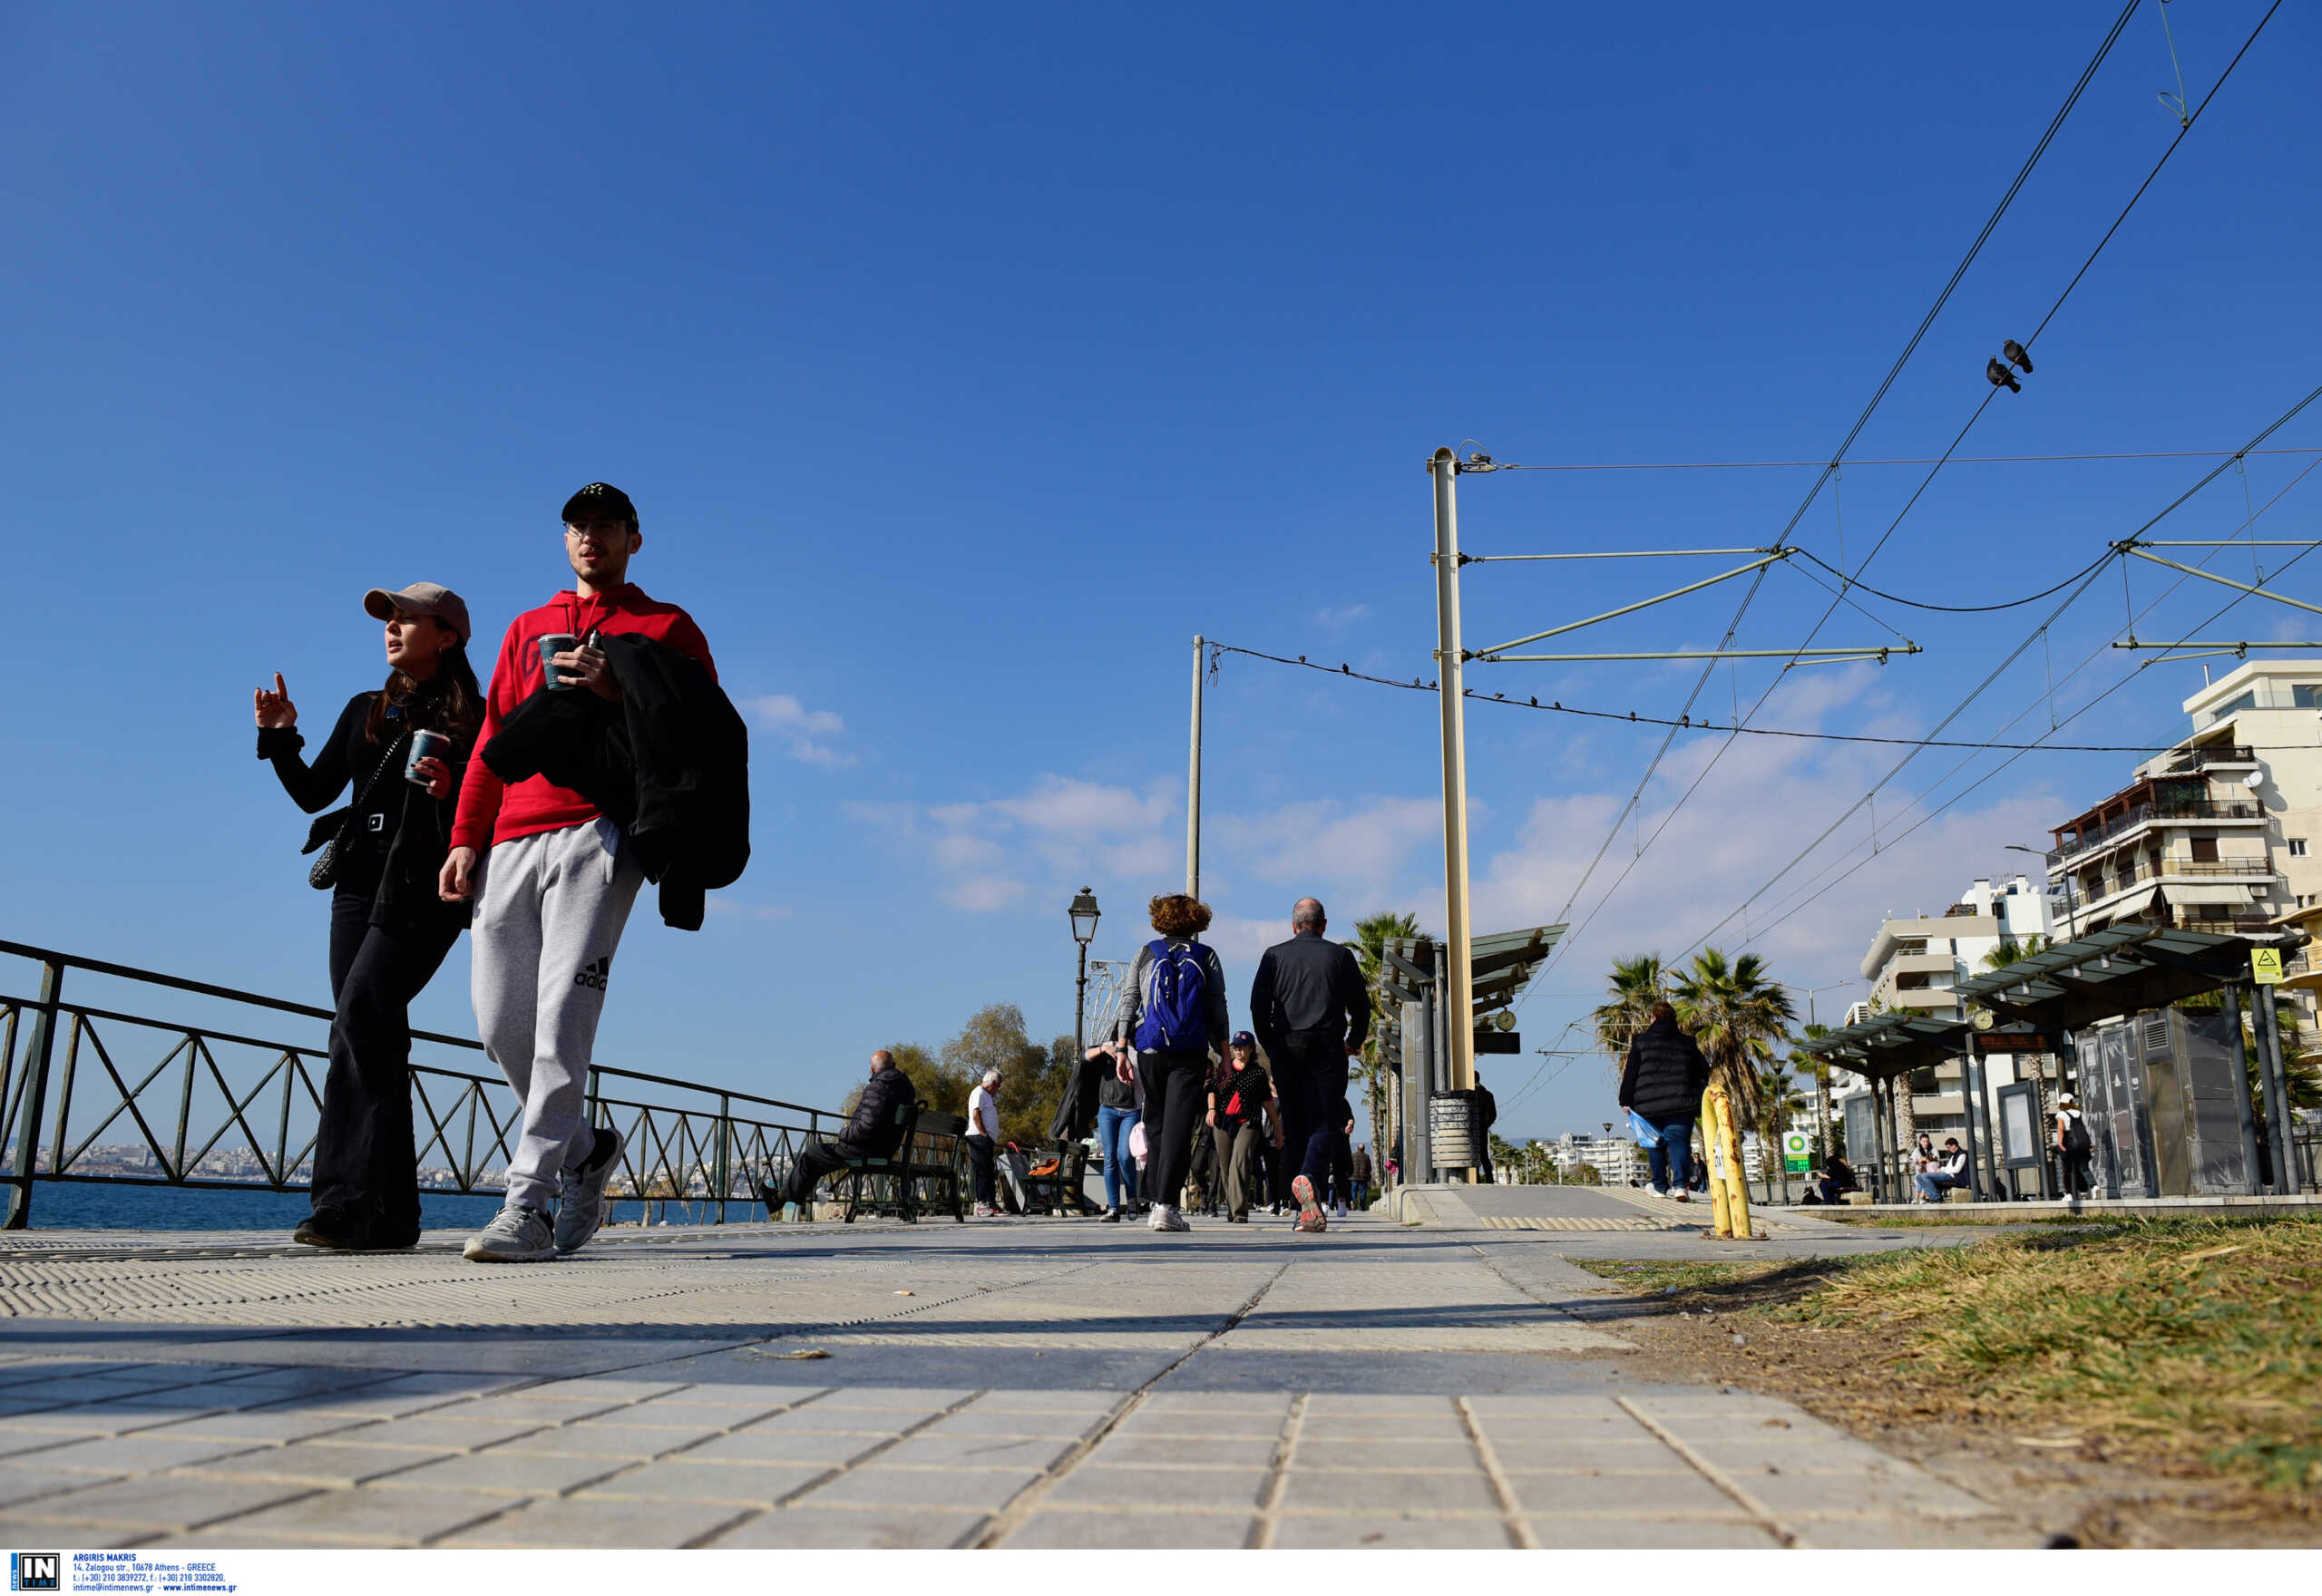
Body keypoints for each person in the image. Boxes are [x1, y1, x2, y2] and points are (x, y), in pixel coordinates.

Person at [440, 482, 717, 1262]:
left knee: (565, 1014)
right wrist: (466, 835)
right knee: (498, 1021)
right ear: (565, 540)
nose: (589, 537)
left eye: (605, 525)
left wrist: (619, 686)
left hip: (605, 831)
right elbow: (495, 733)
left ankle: (526, 1204)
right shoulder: (527, 627)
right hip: (511, 837)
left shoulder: (668, 627)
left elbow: (704, 730)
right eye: (577, 526)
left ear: (634, 538)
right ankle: (588, 1151)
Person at [256, 583, 482, 1251]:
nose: (391, 628)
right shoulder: (365, 709)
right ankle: (393, 1215)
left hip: (423, 884)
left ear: (446, 636)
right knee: (369, 1033)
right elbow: (314, 794)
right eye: (388, 618)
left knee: (360, 1016)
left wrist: (452, 787)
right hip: (356, 884)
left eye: (407, 618)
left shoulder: (476, 718)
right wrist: (279, 736)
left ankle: (345, 1206)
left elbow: (490, 803)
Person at [1249, 898, 1371, 1235]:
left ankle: (1298, 1205)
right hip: (1328, 1046)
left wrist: (1270, 1044)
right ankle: (1310, 1180)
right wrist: (1353, 1040)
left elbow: (1258, 1006)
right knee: (1326, 1121)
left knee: (1296, 1125)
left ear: (1293, 925)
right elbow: (1361, 1007)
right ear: (1324, 924)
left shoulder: (1274, 956)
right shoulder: (1340, 956)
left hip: (1286, 1047)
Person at [1121, 894, 1231, 1233]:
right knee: (1178, 1127)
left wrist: (1122, 1049)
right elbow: (1217, 1008)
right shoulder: (1206, 956)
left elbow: (1130, 1000)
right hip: (1189, 1052)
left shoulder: (1146, 952)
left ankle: (1155, 1199)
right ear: (1197, 921)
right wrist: (1224, 1053)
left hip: (1150, 1049)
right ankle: (1166, 1206)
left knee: (1155, 1123)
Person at [767, 1050, 916, 1213]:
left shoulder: (878, 1087)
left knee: (813, 1153)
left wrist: (843, 1134)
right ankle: (784, 1198)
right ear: (893, 1065)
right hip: (886, 1148)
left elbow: (867, 1127)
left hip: (868, 1149)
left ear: (873, 1069)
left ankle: (784, 1200)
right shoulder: (906, 1087)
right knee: (820, 1157)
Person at [1618, 1002, 1710, 1202]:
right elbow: (1703, 1069)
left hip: (1648, 1106)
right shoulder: (1687, 1042)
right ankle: (1680, 1187)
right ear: (1674, 1019)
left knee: (1655, 1144)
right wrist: (1695, 1090)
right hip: (1681, 1103)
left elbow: (1631, 1073)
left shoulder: (1641, 1041)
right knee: (1679, 1144)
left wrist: (1625, 1100)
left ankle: (1659, 1186)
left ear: (1653, 1018)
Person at [1207, 1032, 1277, 1223]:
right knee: (1225, 1167)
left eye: (1242, 1047)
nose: (1238, 1051)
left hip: (1249, 1122)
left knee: (1240, 1163)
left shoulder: (1258, 1073)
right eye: (1235, 1047)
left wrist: (1278, 1131)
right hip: (1223, 1122)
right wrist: (1211, 1109)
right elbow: (1212, 1090)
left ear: (1251, 1049)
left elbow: (1268, 1103)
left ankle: (1239, 1211)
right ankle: (1232, 1207)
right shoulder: (1224, 1068)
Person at [1088, 1032, 1140, 1221]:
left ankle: (1132, 1200)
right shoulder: (1108, 1049)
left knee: (1125, 1156)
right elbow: (1082, 1058)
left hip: (1132, 1110)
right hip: (1108, 1109)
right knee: (1110, 1158)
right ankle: (1113, 1208)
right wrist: (1103, 1048)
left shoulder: (1138, 1051)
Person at [967, 1067, 1004, 1218]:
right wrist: (984, 1134)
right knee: (982, 1170)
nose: (998, 1088)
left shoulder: (987, 1095)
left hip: (986, 1139)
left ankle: (991, 1203)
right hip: (978, 1137)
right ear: (993, 1083)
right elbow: (976, 1115)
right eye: (998, 1085)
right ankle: (981, 1204)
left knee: (989, 1171)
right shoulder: (979, 1092)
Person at [2054, 1093, 2094, 1199]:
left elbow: (2060, 1129)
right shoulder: (2080, 1113)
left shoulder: (2061, 1114)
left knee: (2067, 1170)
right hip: (2081, 1144)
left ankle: (2068, 1194)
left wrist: (2060, 1144)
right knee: (2083, 1168)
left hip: (2069, 1143)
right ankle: (2091, 1188)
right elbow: (2086, 1129)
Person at [1914, 1137, 1972, 1202]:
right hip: (1947, 1174)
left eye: (1949, 1147)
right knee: (1919, 1177)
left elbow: (1957, 1170)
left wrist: (1942, 1169)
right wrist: (1941, 1170)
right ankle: (1932, 1195)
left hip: (1954, 1176)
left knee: (1925, 1176)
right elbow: (1948, 1167)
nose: (1949, 1149)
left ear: (1954, 1145)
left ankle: (1936, 1197)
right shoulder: (1953, 1155)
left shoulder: (1962, 1154)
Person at [1473, 1072, 1498, 1184]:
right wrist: (1486, 1125)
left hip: (1472, 1130)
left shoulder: (1471, 1095)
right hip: (1483, 1129)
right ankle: (1489, 1179)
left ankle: (1476, 1179)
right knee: (1484, 1155)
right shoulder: (1488, 1095)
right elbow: (1493, 1114)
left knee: (1474, 1154)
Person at [1350, 1143, 1372, 1210]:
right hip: (1363, 1177)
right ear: (1364, 1149)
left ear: (1357, 1148)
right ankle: (1362, 1206)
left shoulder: (1352, 1156)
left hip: (1354, 1177)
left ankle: (1354, 1202)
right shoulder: (1367, 1156)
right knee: (1363, 1192)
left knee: (1354, 1190)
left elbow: (1350, 1166)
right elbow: (1369, 1168)